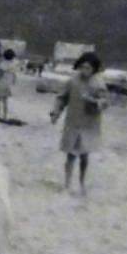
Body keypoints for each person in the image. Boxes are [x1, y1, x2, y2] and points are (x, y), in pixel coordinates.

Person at [50, 51, 107, 195]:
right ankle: (67, 184)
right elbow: (62, 97)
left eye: (88, 68)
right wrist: (56, 112)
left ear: (94, 69)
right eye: (82, 67)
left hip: (89, 124)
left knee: (84, 156)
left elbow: (105, 102)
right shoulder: (73, 81)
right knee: (70, 154)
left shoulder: (99, 83)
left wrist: (94, 101)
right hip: (73, 122)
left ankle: (82, 183)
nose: (85, 71)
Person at [0, 48, 19, 120]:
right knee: (5, 100)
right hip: (7, 85)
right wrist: (13, 82)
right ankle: (4, 116)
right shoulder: (14, 65)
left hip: (0, 83)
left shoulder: (2, 64)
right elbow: (14, 76)